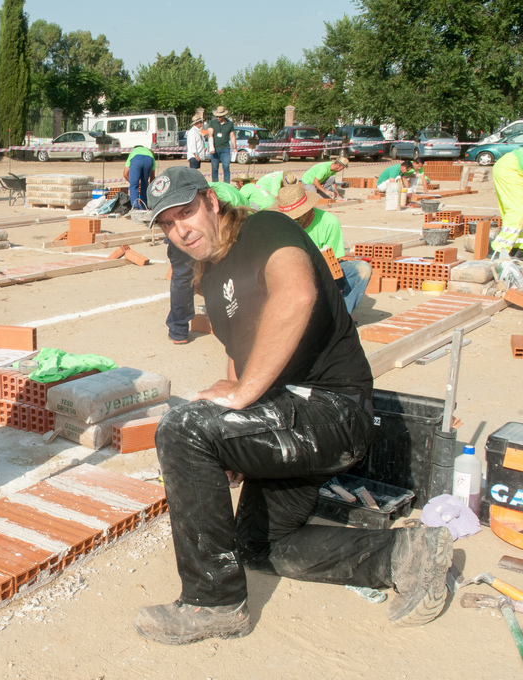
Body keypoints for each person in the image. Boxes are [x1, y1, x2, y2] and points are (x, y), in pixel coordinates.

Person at [133, 165, 453, 645]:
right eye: (168, 223)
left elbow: (297, 293)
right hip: (289, 417)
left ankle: (212, 603)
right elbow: (239, 354)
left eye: (186, 213)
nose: (181, 229)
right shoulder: (212, 272)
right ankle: (403, 555)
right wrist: (231, 438)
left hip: (332, 410)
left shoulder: (265, 228)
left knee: (181, 429)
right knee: (258, 545)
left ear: (211, 202)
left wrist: (240, 401)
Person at [165, 181, 248, 345]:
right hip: (220, 233)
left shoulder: (196, 192)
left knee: (182, 278)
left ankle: (178, 330)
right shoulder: (240, 198)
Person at [276, 183, 372, 314]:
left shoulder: (329, 222)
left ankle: (342, 316)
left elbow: (333, 266)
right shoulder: (281, 225)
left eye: (297, 218)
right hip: (290, 275)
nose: (294, 221)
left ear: (308, 209)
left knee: (362, 269)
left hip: (322, 272)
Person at [206, 106, 236, 184]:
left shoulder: (230, 123)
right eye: (217, 116)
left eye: (219, 116)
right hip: (215, 149)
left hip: (225, 149)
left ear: (224, 116)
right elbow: (210, 134)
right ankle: (215, 184)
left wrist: (234, 147)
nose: (218, 118)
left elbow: (232, 136)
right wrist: (211, 147)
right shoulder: (213, 122)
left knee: (226, 167)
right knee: (215, 168)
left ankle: (226, 184)